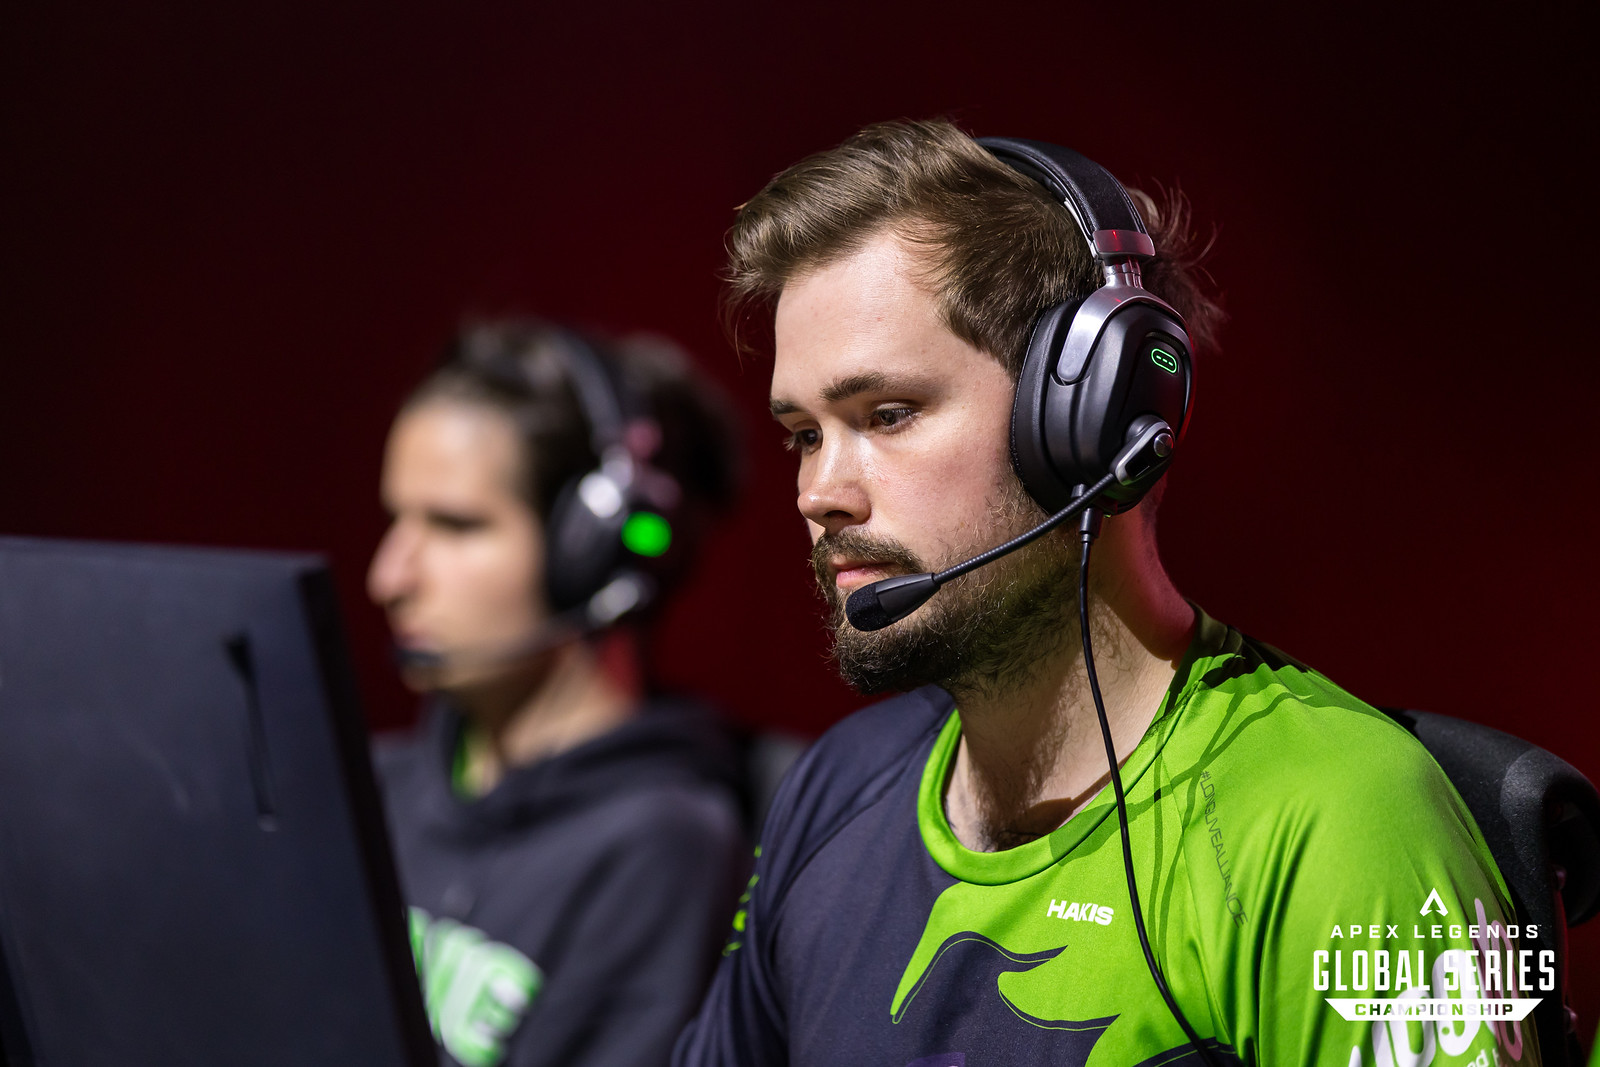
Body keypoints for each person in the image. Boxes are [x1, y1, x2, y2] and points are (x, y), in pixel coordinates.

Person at [675, 121, 1543, 1066]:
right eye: (804, 435)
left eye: (888, 414)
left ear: (1089, 420)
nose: (819, 492)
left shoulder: (1337, 824)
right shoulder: (836, 788)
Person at [367, 320, 748, 1067]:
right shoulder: (371, 786)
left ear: (589, 551)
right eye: (396, 520)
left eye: (454, 525)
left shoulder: (663, 850)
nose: (390, 576)